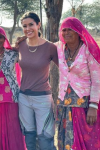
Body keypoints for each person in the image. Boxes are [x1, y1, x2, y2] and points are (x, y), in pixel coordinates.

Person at [56, 17, 100, 150]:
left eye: (70, 29)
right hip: (63, 103)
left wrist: (93, 106)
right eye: (64, 30)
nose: (66, 33)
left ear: (78, 31)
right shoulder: (59, 48)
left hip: (83, 105)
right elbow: (40, 44)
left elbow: (97, 80)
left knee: (84, 140)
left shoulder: (87, 50)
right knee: (65, 139)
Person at [17, 12, 58, 150]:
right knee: (29, 136)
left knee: (45, 136)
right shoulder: (20, 45)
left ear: (38, 25)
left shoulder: (50, 47)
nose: (27, 28)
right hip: (23, 97)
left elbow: (66, 69)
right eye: (24, 26)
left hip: (42, 98)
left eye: (31, 25)